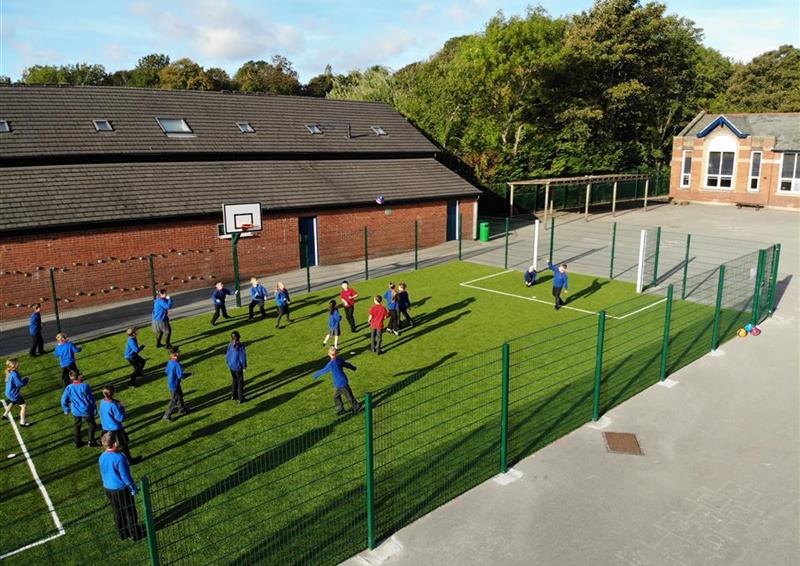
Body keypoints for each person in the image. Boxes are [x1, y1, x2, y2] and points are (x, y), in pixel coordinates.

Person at [99, 431, 142, 541]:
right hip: (121, 489)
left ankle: (123, 533)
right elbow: (125, 477)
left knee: (117, 511)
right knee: (130, 511)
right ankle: (135, 534)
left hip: (108, 488)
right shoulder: (119, 458)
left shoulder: (102, 456)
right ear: (115, 443)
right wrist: (133, 488)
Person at [312, 347, 362, 415]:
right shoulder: (339, 360)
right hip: (341, 382)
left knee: (349, 397)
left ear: (329, 354)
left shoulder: (331, 364)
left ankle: (357, 407)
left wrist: (315, 375)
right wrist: (353, 368)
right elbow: (347, 364)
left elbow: (324, 370)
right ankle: (341, 410)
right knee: (336, 397)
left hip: (341, 383)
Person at [99, 386, 138, 463]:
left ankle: (110, 459)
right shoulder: (113, 405)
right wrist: (122, 409)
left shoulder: (102, 401)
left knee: (108, 445)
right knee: (123, 445)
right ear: (112, 393)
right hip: (116, 429)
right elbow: (120, 418)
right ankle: (129, 460)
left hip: (106, 428)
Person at [61, 371, 97, 448]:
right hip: (86, 409)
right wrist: (94, 408)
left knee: (77, 425)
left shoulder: (69, 387)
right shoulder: (85, 386)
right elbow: (91, 399)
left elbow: (63, 400)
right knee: (92, 424)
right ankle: (91, 441)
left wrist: (66, 409)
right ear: (78, 377)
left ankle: (77, 442)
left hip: (76, 410)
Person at [163, 349, 191, 421]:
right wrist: (188, 374)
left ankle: (182, 409)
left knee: (180, 395)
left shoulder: (170, 362)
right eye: (178, 353)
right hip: (174, 385)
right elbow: (180, 376)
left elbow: (166, 371)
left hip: (171, 383)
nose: (179, 354)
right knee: (174, 400)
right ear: (175, 355)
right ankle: (167, 415)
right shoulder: (177, 364)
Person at [2, 359, 30, 427]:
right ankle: (22, 422)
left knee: (12, 402)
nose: (19, 364)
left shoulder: (9, 371)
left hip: (8, 392)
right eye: (18, 364)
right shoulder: (14, 374)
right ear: (14, 366)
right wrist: (26, 379)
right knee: (23, 406)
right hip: (14, 393)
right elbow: (19, 384)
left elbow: (6, 380)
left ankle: (5, 415)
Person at [226, 331, 247, 403]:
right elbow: (242, 357)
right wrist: (244, 366)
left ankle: (233, 395)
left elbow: (227, 355)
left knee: (234, 380)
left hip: (231, 366)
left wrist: (228, 363)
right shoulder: (240, 346)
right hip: (237, 367)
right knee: (240, 382)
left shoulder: (229, 345)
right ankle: (241, 398)